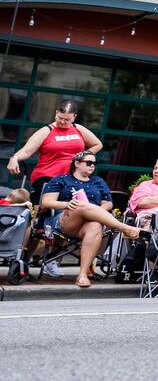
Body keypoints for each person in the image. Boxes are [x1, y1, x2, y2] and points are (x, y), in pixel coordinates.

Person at [8, 100, 102, 278]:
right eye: (60, 118)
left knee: (66, 214)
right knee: (39, 218)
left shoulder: (79, 129)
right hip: (47, 178)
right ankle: (23, 261)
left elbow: (97, 144)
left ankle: (52, 260)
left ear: (74, 117)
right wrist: (14, 158)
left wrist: (82, 159)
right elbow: (27, 151)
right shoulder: (47, 131)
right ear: (55, 114)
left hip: (70, 180)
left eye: (67, 119)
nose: (63, 122)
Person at [39, 151, 140, 288]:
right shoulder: (61, 179)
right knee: (81, 204)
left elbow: (108, 204)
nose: (92, 166)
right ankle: (123, 228)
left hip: (87, 224)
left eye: (94, 163)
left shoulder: (98, 181)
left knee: (95, 225)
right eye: (89, 163)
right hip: (65, 219)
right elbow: (46, 202)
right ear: (77, 163)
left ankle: (82, 274)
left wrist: (95, 212)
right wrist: (67, 204)